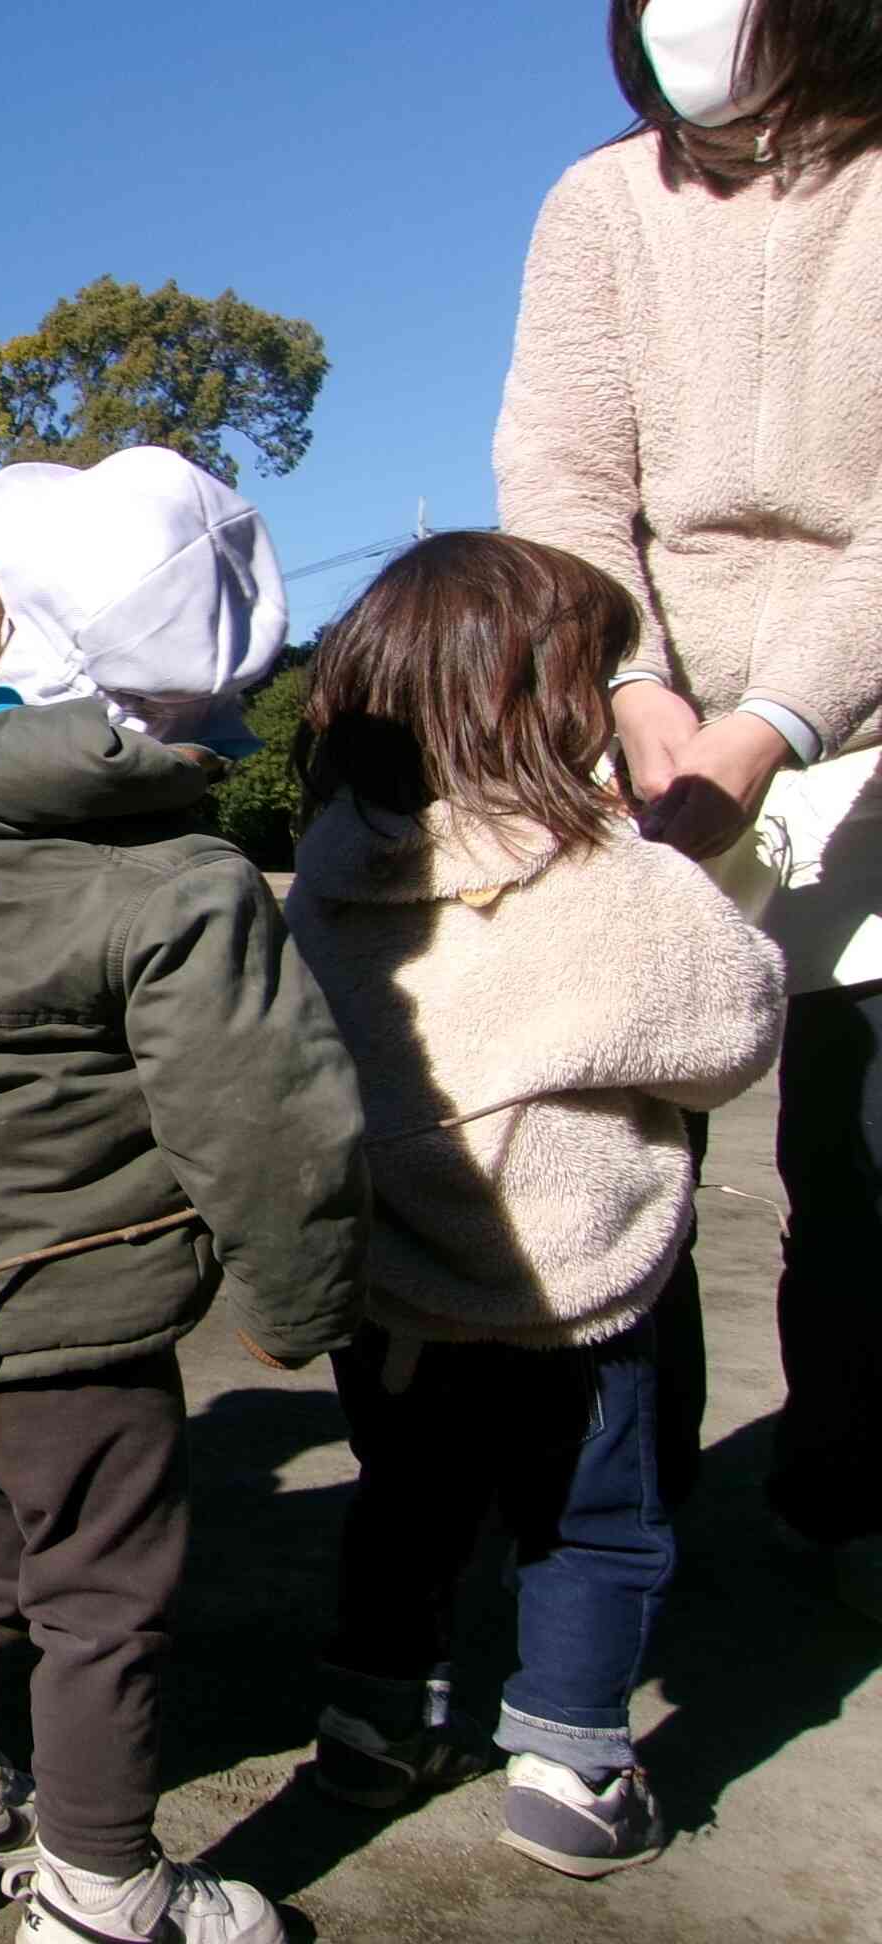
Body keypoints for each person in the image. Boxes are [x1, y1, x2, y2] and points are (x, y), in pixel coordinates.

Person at [0, 447, 367, 1944]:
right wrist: (299, 1300)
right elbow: (267, 1119)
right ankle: (100, 1880)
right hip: (84, 1313)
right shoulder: (179, 880)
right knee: (104, 1596)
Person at [285, 532, 784, 1877]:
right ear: (550, 703)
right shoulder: (611, 876)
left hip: (391, 1284)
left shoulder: (329, 874)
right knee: (594, 1523)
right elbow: (728, 1032)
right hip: (579, 1286)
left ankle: (372, 1720)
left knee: (403, 1501)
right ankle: (570, 1765)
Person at [494, 0, 882, 1614]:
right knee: (617, 1154)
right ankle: (612, 1533)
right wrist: (637, 693)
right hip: (639, 711)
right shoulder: (600, 202)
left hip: (850, 715)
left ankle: (842, 1486)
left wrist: (771, 725)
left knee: (856, 1161)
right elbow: (564, 475)